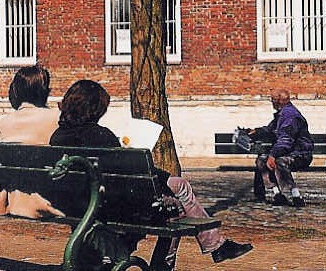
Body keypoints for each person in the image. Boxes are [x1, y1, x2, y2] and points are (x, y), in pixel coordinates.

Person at [52, 79, 253, 267]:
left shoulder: (58, 136)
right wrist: (161, 176)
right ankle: (177, 260)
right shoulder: (99, 136)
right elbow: (132, 174)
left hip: (79, 206)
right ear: (94, 109)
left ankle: (215, 246)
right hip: (112, 207)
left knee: (178, 187)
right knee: (176, 208)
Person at [0, 65, 61, 218]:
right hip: (47, 202)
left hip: (16, 203)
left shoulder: (5, 122)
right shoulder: (56, 118)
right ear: (45, 91)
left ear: (16, 91)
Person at [246, 90, 314, 206]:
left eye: (272, 100)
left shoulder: (290, 115)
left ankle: (295, 195)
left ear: (278, 101)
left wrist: (273, 155)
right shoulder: (282, 113)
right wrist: (257, 131)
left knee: (279, 161)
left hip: (301, 154)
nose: (272, 103)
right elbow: (271, 129)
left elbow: (286, 140)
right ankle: (277, 194)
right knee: (262, 160)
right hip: (288, 152)